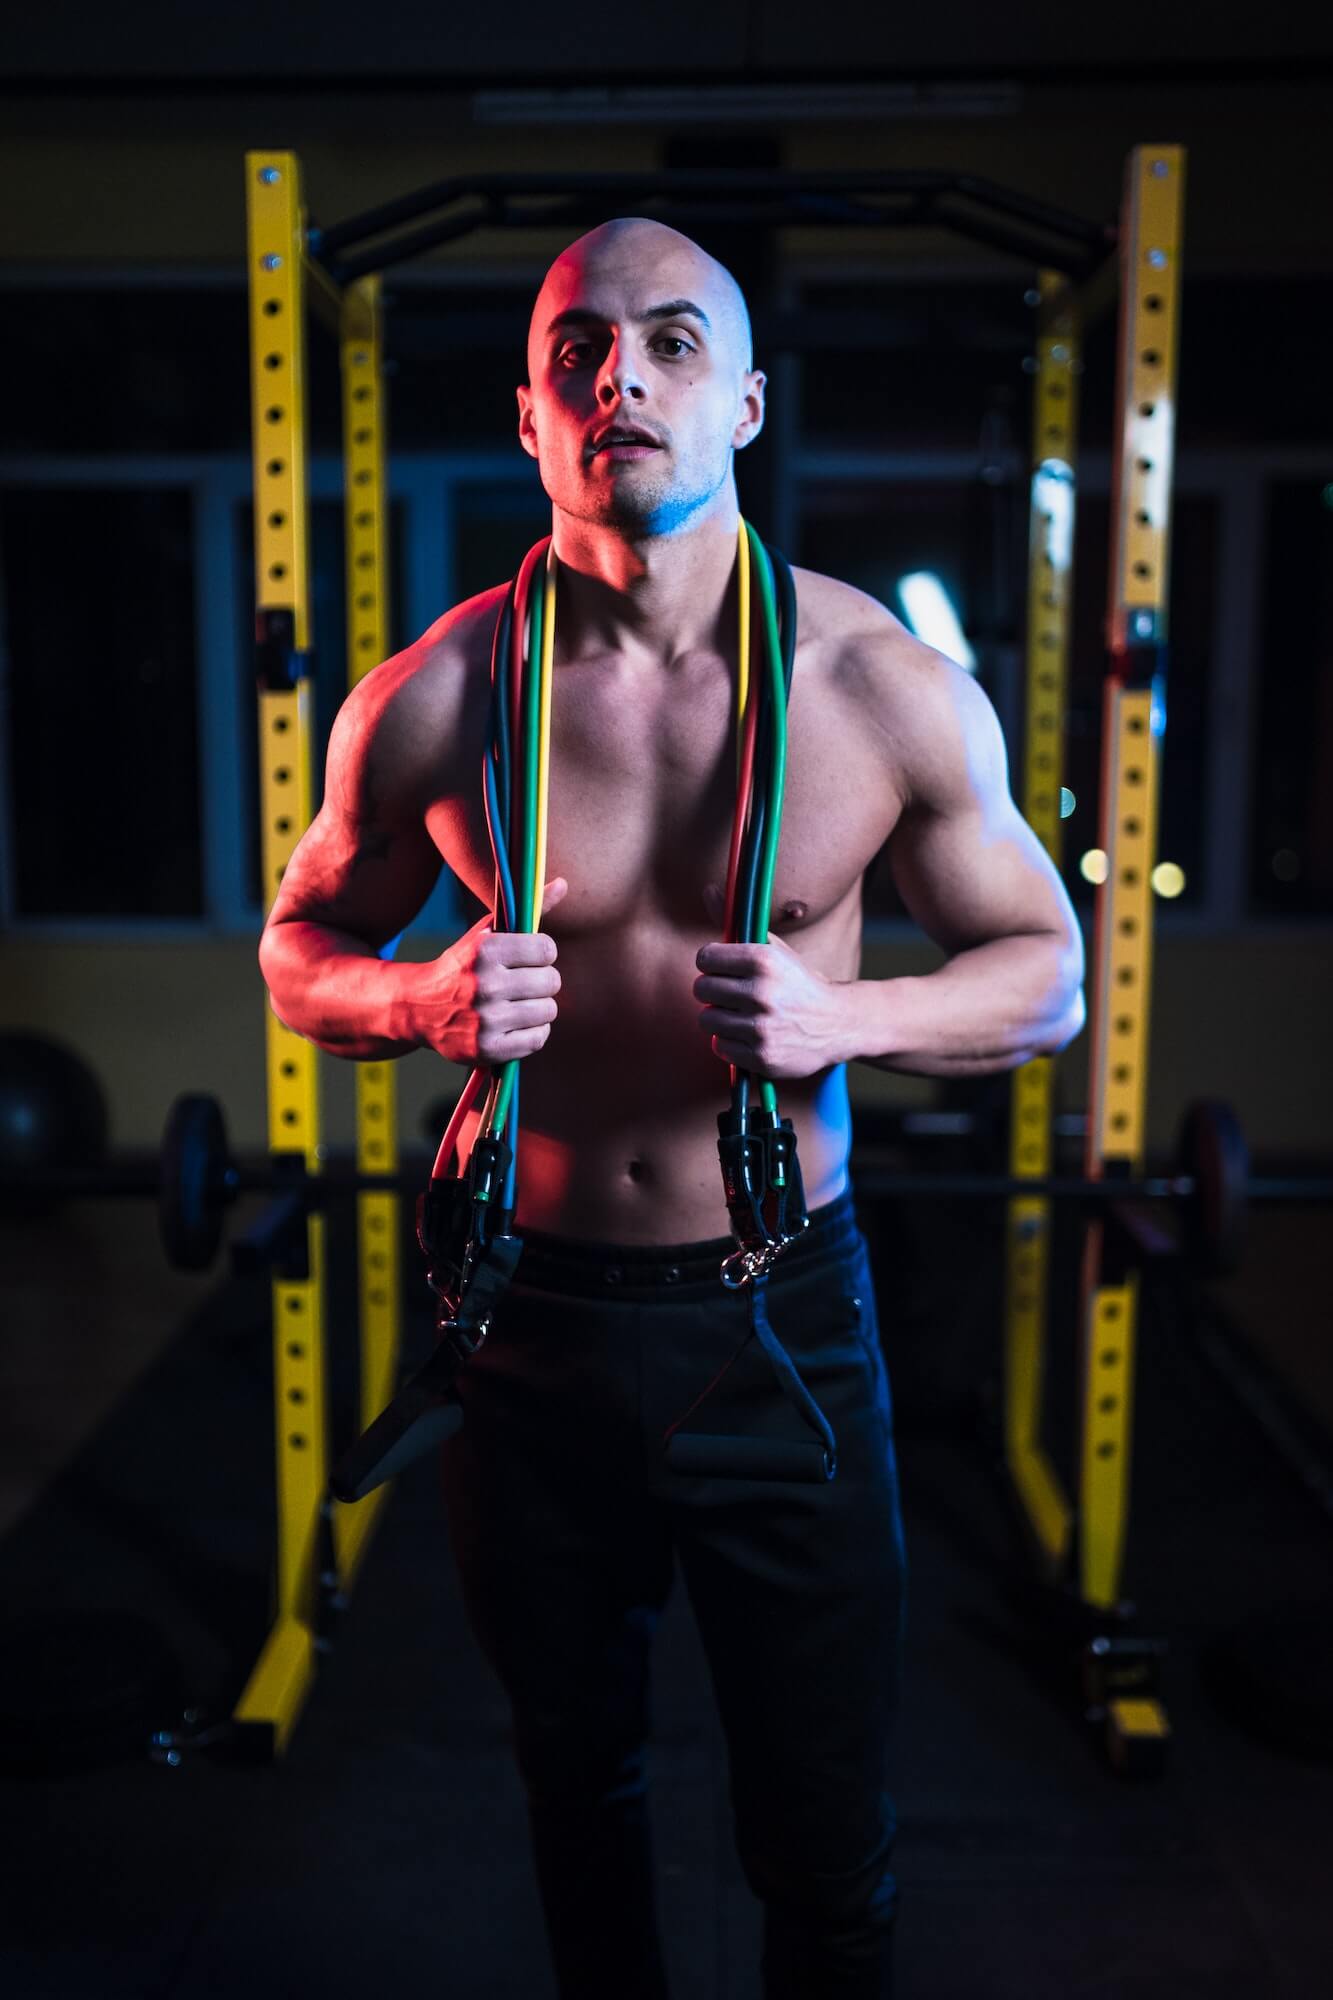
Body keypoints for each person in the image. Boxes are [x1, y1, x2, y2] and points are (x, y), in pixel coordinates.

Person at [258, 215, 1086, 1999]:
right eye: (577, 349)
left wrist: (844, 1014)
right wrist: (415, 997)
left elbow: (1048, 974)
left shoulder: (877, 688)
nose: (618, 376)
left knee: (823, 1832)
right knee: (576, 1787)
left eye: (670, 342)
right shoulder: (435, 696)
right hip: (526, 1320)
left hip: (772, 1315)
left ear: (744, 405)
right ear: (530, 417)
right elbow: (296, 950)